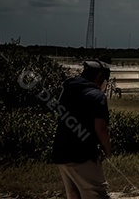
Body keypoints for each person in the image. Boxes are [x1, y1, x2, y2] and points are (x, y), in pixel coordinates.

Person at [52, 60, 113, 199]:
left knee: (74, 194)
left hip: (61, 151)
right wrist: (107, 149)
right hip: (82, 155)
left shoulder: (68, 89)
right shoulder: (96, 95)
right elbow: (100, 128)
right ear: (100, 77)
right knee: (96, 193)